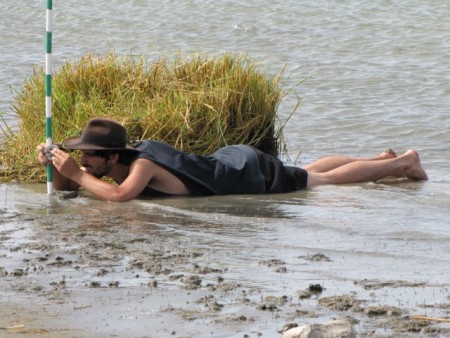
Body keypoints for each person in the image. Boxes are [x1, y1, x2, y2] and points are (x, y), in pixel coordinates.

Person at [36, 118, 428, 202]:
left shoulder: (140, 167)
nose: (82, 160)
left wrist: (73, 173)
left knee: (317, 183)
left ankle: (402, 163)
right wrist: (59, 169)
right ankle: (380, 158)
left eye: (88, 155)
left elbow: (119, 198)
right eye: (80, 154)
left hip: (244, 171)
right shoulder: (121, 161)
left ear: (113, 157)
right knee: (304, 169)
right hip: (229, 161)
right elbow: (69, 187)